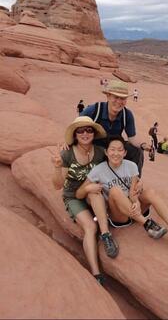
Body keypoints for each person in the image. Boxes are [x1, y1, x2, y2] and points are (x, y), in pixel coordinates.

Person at [76, 135, 168, 252]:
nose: (116, 153)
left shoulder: (131, 166)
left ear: (125, 153)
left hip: (133, 207)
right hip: (119, 214)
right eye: (112, 149)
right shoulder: (98, 170)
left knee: (151, 192)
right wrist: (87, 188)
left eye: (120, 150)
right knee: (115, 190)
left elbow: (133, 191)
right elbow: (78, 194)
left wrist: (136, 201)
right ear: (106, 152)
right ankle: (147, 224)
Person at [50, 116, 119, 286]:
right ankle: (96, 274)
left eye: (89, 130)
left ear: (94, 133)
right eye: (80, 130)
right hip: (73, 196)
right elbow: (58, 185)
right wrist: (58, 166)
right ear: (75, 135)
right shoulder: (67, 153)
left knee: (94, 192)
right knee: (90, 227)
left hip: (92, 194)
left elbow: (117, 161)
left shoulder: (100, 152)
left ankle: (106, 235)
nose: (85, 133)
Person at [80, 80, 150, 177]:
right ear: (108, 96)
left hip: (114, 146)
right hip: (95, 147)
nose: (119, 102)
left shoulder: (127, 114)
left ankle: (134, 181)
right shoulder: (94, 110)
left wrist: (143, 145)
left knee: (136, 151)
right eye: (116, 97)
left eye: (123, 98)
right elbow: (77, 126)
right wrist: (69, 142)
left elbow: (132, 138)